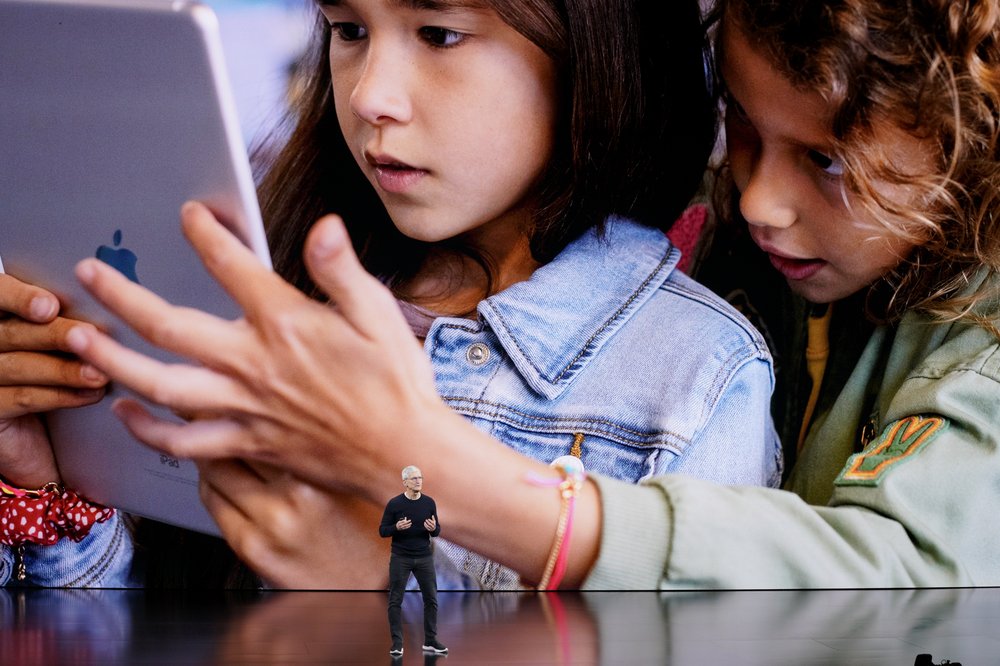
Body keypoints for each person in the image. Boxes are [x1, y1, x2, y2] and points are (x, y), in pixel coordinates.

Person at [33, 0, 783, 590]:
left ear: (596, 50)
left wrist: (373, 592)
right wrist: (49, 495)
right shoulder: (284, 285)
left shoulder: (695, 378)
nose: (369, 96)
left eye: (439, 33)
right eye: (349, 29)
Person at [378, 466, 445, 656]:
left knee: (431, 600)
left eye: (420, 478)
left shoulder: (429, 503)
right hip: (401, 557)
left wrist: (433, 528)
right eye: (414, 478)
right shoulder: (394, 504)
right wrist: (396, 527)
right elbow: (383, 531)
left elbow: (437, 531)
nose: (418, 481)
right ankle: (397, 643)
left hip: (425, 557)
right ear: (405, 482)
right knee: (396, 601)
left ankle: (431, 639)